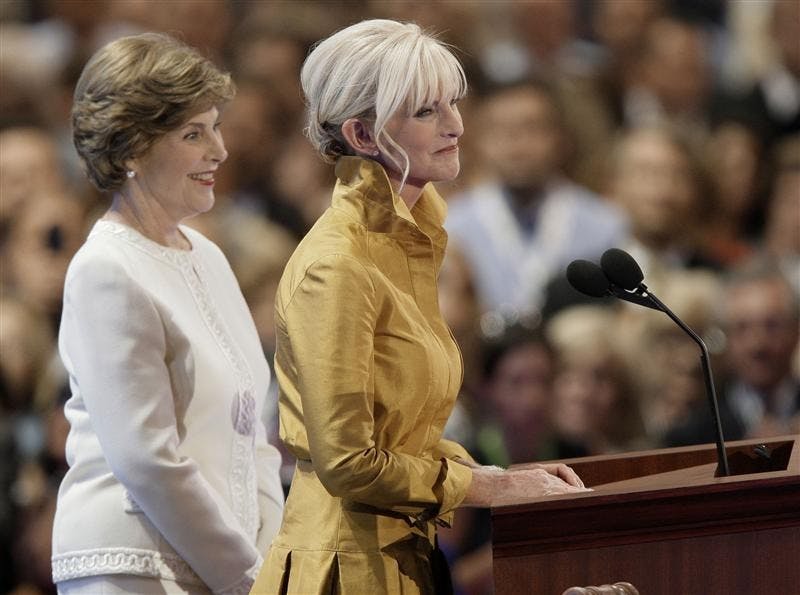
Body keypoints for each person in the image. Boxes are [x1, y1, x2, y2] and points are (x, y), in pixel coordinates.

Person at [251, 19, 588, 595]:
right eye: (426, 112)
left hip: (402, 555)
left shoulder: (409, 240)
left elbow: (403, 436)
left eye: (452, 104)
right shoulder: (338, 263)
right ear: (362, 133)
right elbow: (349, 462)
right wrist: (487, 490)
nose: (456, 125)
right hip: (343, 568)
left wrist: (494, 474)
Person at [51, 33, 284, 594]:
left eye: (216, 126)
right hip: (132, 568)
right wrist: (249, 577)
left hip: (226, 569)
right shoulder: (105, 268)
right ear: (130, 148)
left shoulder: (208, 255)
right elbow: (148, 461)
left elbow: (253, 434)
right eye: (193, 133)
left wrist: (276, 564)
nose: (219, 151)